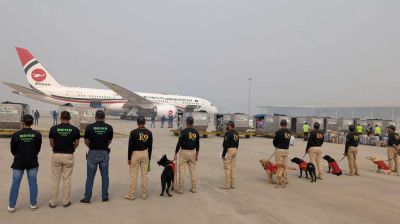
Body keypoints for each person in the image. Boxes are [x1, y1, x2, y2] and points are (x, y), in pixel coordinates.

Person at [8, 115, 42, 213]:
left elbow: (13, 150)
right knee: (32, 182)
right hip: (32, 162)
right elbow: (37, 148)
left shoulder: (16, 134)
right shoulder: (37, 134)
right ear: (31, 122)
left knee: (15, 183)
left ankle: (11, 206)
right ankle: (33, 204)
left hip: (18, 162)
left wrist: (19, 155)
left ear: (23, 122)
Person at [80, 110, 113, 204]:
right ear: (104, 117)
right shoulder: (109, 127)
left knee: (90, 176)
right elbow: (109, 141)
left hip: (92, 153)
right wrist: (103, 146)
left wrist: (91, 147)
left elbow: (86, 140)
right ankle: (105, 196)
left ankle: (87, 198)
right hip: (104, 152)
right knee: (105, 176)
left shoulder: (89, 127)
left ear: (95, 117)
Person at [49, 111, 80, 208]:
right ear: (69, 118)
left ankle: (53, 202)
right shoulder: (75, 129)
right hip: (68, 155)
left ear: (60, 118)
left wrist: (56, 148)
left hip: (57, 155)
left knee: (55, 180)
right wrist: (71, 149)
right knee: (67, 179)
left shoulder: (54, 129)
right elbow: (77, 143)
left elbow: (51, 142)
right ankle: (66, 202)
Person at [125, 116, 153, 200]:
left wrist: (129, 158)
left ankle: (131, 194)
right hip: (145, 153)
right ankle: (144, 194)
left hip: (135, 154)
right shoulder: (149, 133)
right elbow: (150, 147)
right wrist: (149, 158)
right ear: (145, 122)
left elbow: (130, 146)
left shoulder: (133, 132)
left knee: (134, 175)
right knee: (144, 175)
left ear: (137, 123)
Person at [174, 116, 200, 194]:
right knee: (193, 170)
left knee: (182, 170)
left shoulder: (183, 132)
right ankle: (194, 188)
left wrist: (175, 153)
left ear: (186, 123)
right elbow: (198, 144)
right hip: (193, 152)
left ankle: (181, 189)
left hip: (184, 152)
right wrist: (197, 155)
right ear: (193, 122)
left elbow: (179, 143)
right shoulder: (196, 132)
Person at [220, 121, 239, 189]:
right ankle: (232, 184)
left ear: (230, 125)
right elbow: (237, 144)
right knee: (233, 168)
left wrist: (223, 154)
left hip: (229, 150)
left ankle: (227, 184)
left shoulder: (228, 133)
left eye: (227, 125)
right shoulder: (236, 133)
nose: (226, 126)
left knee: (227, 168)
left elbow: (226, 144)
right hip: (234, 150)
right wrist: (235, 149)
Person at [273, 119, 291, 186]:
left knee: (279, 166)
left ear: (280, 125)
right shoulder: (289, 132)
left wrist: (276, 146)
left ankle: (279, 181)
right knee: (285, 166)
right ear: (286, 125)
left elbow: (275, 141)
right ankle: (286, 179)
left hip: (279, 150)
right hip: (286, 150)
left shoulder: (278, 132)